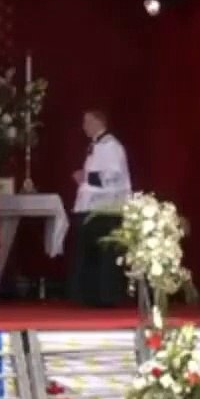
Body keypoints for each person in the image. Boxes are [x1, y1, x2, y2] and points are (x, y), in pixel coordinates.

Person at [68, 109, 133, 307]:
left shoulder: (110, 146)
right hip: (94, 208)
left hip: (106, 208)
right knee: (92, 253)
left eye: (87, 121)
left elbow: (112, 176)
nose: (84, 126)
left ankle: (106, 296)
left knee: (105, 255)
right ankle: (91, 295)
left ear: (98, 122)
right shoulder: (97, 146)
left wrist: (85, 177)